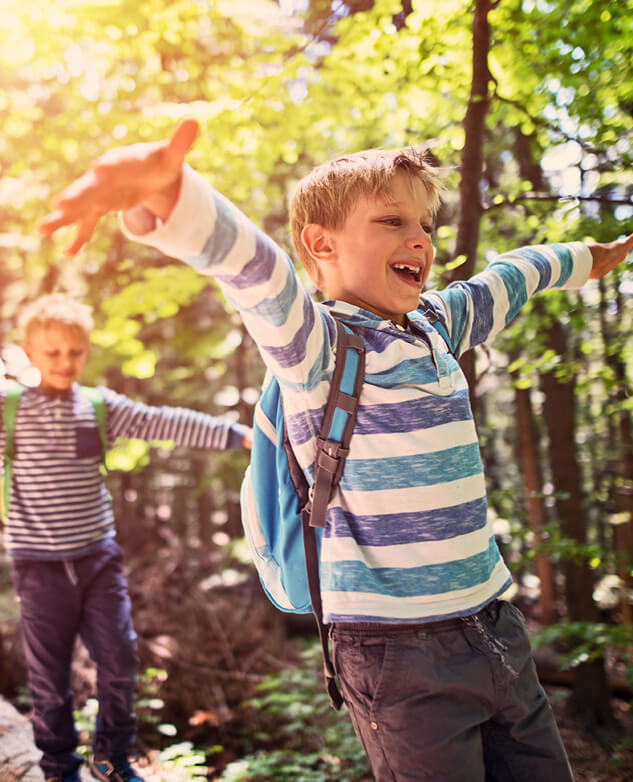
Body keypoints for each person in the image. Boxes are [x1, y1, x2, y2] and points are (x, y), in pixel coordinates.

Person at [39, 118, 633, 781]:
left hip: (495, 624)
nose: (418, 239)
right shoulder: (316, 349)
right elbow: (255, 271)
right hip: (395, 650)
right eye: (391, 222)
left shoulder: (436, 324)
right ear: (320, 244)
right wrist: (175, 196)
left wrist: (588, 256)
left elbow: (509, 278)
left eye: (425, 226)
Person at [0, 291, 251, 782]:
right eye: (52, 353)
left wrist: (236, 433)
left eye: (74, 352)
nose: (65, 362)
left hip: (98, 560)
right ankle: (57, 768)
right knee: (49, 679)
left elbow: (162, 422)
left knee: (120, 659)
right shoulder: (9, 412)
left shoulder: (97, 407)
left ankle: (112, 758)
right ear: (29, 353)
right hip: (38, 567)